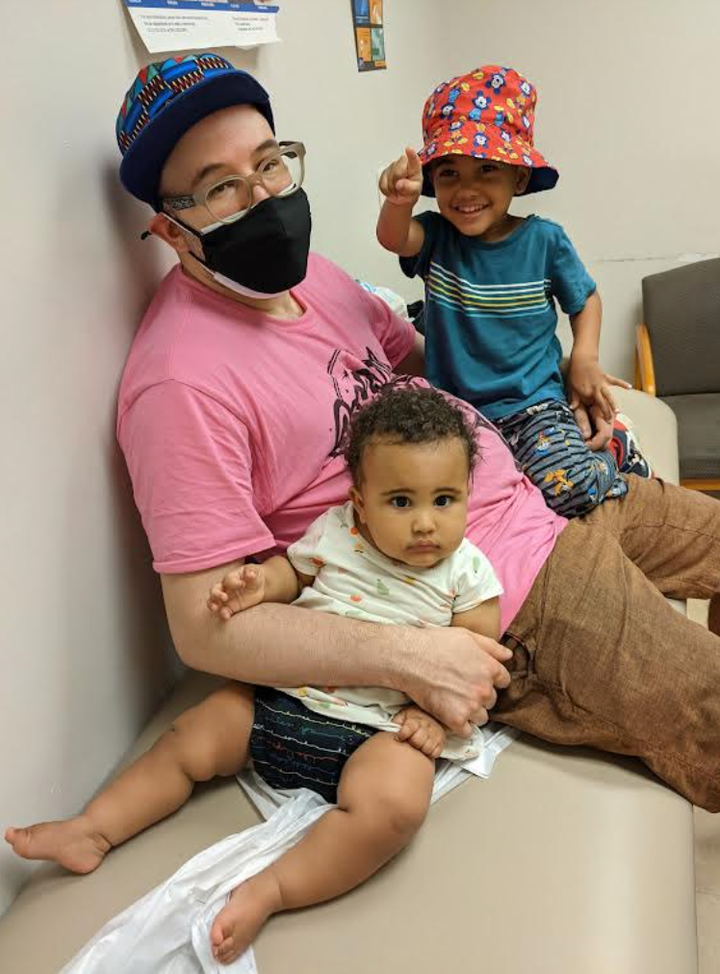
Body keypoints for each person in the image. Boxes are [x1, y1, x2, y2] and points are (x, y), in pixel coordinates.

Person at [7, 55, 718, 930]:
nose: (264, 197)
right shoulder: (180, 385)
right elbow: (202, 626)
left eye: (270, 163)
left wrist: (560, 402)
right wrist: (411, 658)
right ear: (169, 227)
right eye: (220, 187)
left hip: (542, 485)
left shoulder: (314, 278)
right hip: (500, 590)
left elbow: (428, 365)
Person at [6, 388, 503, 965]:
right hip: (283, 698)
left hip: (381, 730)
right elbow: (291, 573)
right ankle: (93, 829)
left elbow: (475, 654)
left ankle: (273, 889)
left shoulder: (467, 572)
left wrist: (429, 716)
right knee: (193, 736)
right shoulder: (337, 533)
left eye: (445, 500)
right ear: (360, 503)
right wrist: (259, 585)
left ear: (467, 495)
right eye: (400, 501)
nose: (425, 523)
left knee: (395, 807)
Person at [377, 65, 652, 517]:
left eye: (487, 170)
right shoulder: (435, 237)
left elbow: (585, 301)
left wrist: (584, 358)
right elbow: (393, 238)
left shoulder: (544, 241)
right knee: (452, 504)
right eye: (448, 173)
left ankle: (617, 448)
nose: (466, 189)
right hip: (454, 410)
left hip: (532, 405)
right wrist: (399, 200)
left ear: (519, 179)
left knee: (567, 490)